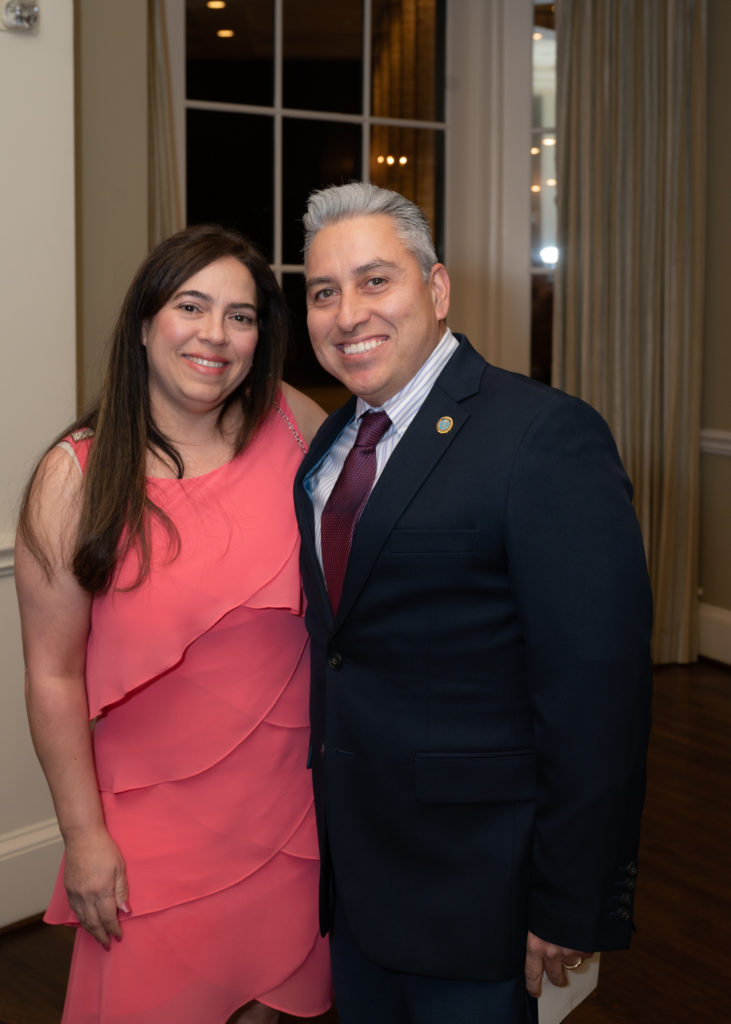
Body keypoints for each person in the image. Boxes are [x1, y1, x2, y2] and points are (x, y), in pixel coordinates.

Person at [292, 182, 653, 1024]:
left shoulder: (543, 437)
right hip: (356, 883)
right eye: (322, 292)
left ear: (437, 287)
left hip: (479, 898)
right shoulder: (328, 446)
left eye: (375, 281)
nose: (347, 314)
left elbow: (595, 699)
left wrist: (569, 902)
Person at [15, 224, 331, 1024]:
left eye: (242, 315)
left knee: (276, 1007)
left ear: (263, 338)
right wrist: (82, 838)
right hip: (150, 831)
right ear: (146, 320)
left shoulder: (294, 423)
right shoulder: (77, 476)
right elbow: (51, 677)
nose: (215, 335)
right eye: (192, 306)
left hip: (295, 810)